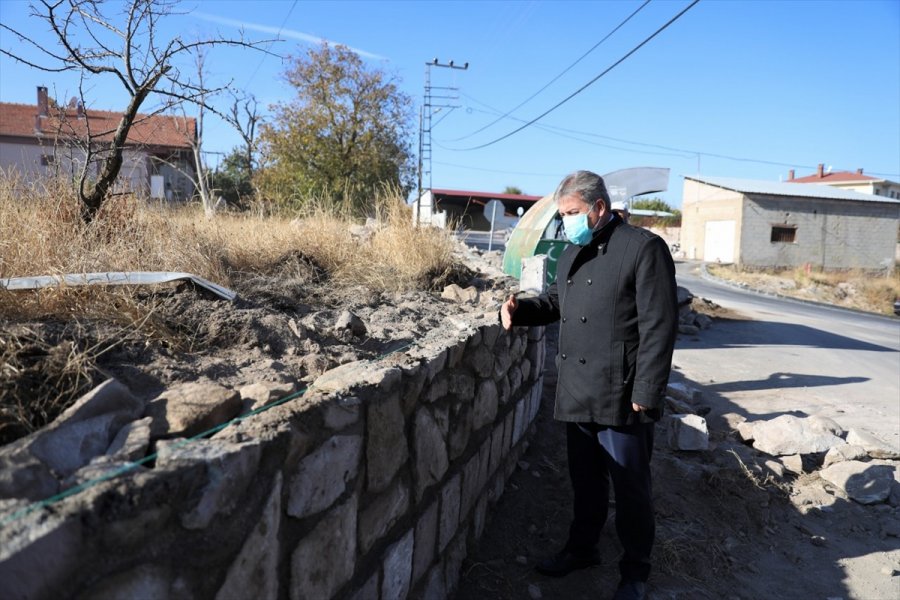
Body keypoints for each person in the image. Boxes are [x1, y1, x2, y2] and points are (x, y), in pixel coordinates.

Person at [500, 170, 677, 600]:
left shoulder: (643, 248)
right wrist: (519, 310)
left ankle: (635, 571)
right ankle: (582, 550)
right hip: (579, 389)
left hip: (622, 395)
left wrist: (646, 392)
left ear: (599, 208)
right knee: (586, 482)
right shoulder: (571, 252)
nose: (566, 222)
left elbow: (660, 326)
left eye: (572, 213)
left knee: (631, 488)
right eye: (562, 215)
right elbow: (558, 303)